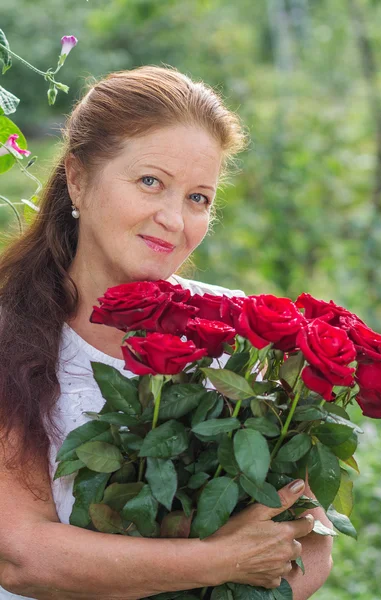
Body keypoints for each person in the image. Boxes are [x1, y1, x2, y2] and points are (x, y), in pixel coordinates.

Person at [0, 65, 332, 600]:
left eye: (198, 197)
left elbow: (310, 540)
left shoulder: (238, 332)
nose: (175, 220)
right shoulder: (10, 330)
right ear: (78, 178)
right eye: (151, 182)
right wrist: (218, 560)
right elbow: (21, 555)